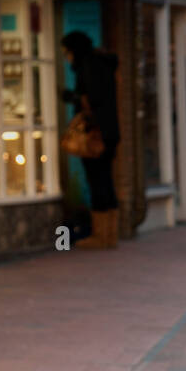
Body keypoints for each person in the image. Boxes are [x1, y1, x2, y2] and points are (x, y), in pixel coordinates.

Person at [61, 31, 121, 250]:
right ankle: (110, 235)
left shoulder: (89, 66)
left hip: (95, 135)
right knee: (105, 181)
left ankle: (101, 236)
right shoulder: (103, 64)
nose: (66, 57)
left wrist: (73, 97)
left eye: (67, 52)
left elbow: (93, 100)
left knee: (98, 182)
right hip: (109, 132)